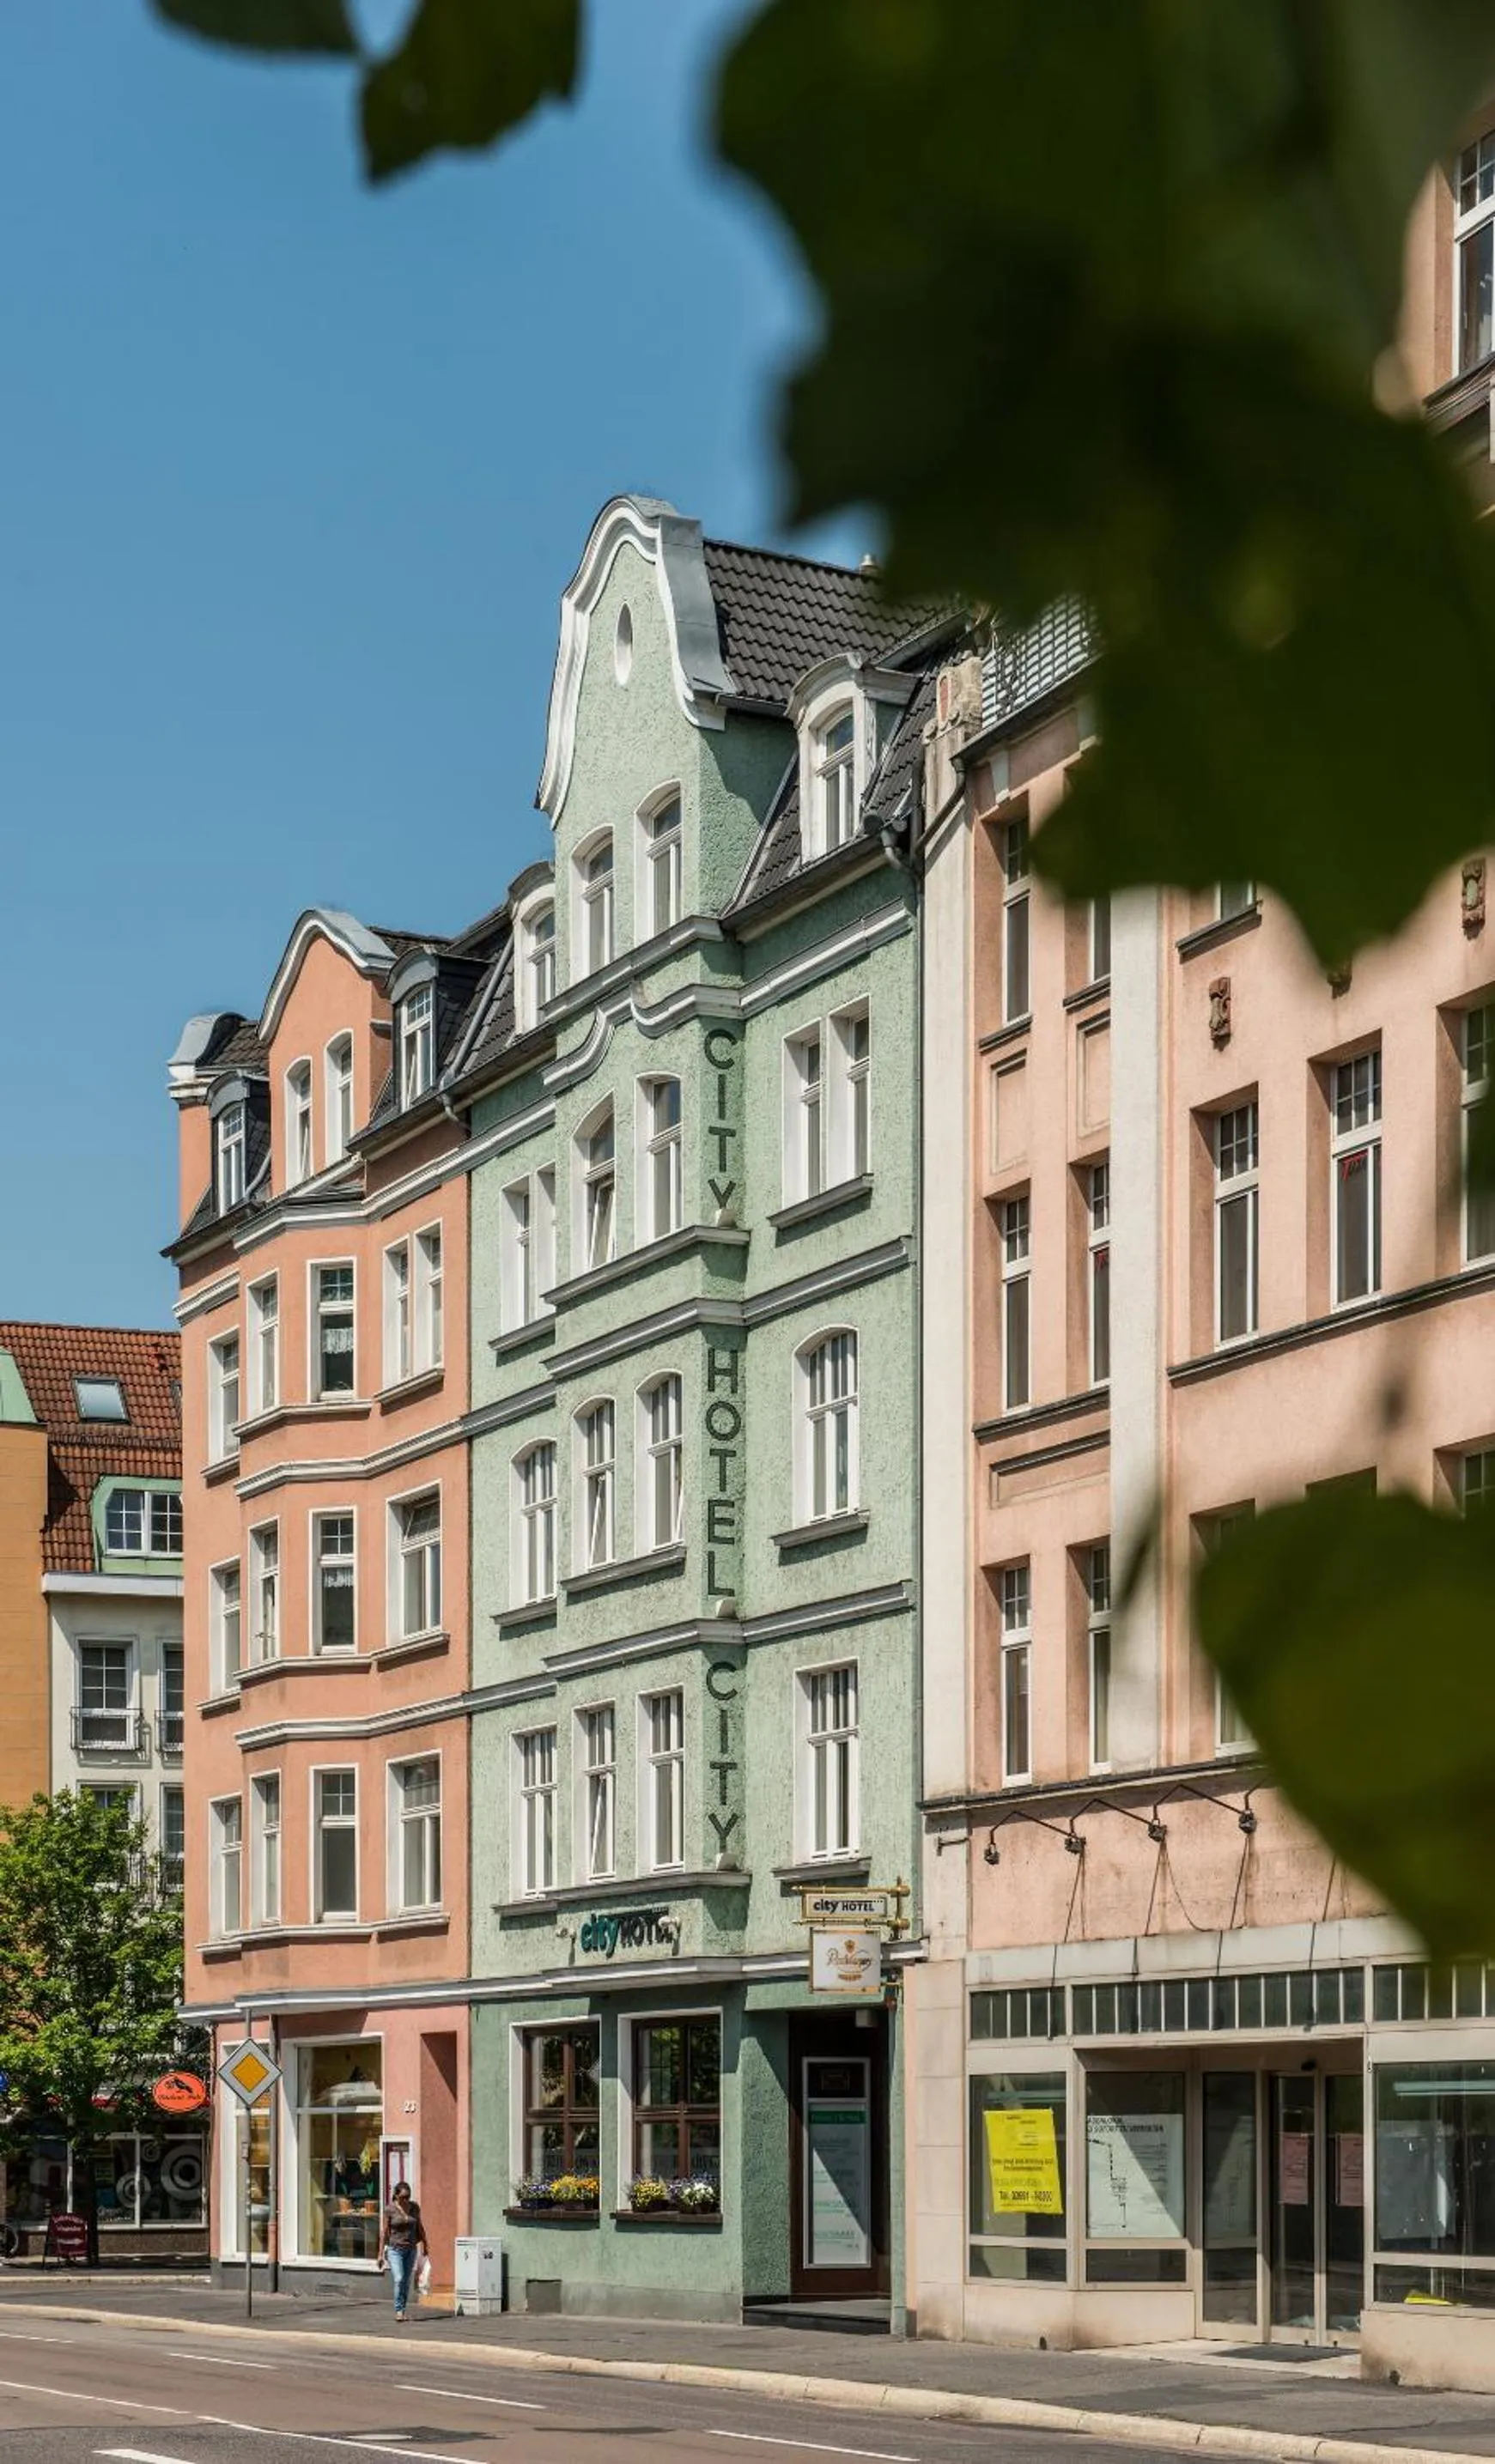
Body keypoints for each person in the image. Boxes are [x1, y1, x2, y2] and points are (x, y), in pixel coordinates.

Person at [376, 2180, 428, 2321]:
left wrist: (425, 2244)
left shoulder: (414, 2208)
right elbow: (384, 2232)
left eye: (408, 2197)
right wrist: (380, 2254)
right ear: (396, 2196)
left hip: (411, 2249)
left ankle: (403, 2309)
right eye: (403, 2197)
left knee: (405, 2281)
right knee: (399, 2279)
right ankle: (399, 2310)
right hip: (395, 2250)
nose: (406, 2200)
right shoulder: (390, 2210)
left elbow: (420, 2227)